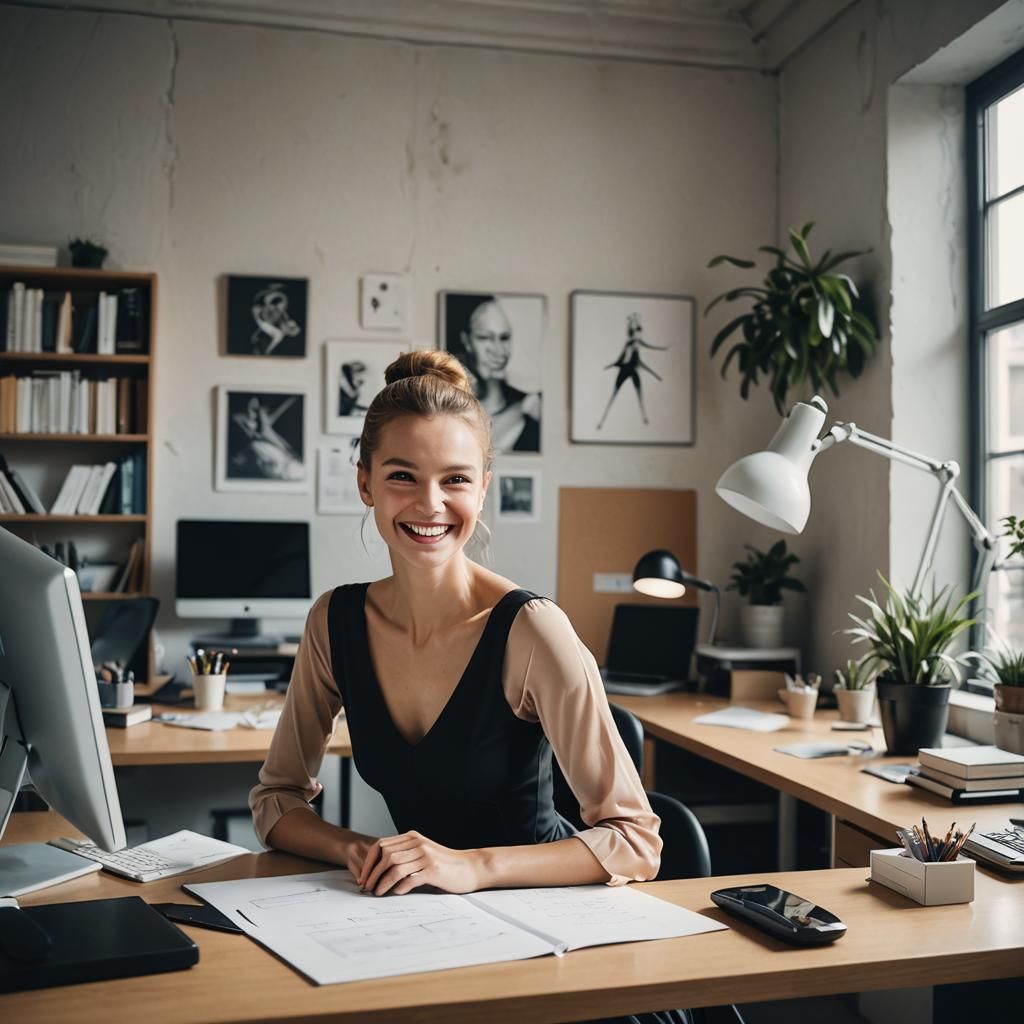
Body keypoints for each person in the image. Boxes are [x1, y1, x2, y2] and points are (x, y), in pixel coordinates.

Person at [250, 351, 686, 1024]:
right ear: (365, 483)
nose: (430, 505)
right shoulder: (333, 623)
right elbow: (277, 799)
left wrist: (470, 866)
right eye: (402, 477)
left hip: (562, 940)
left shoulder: (532, 631)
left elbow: (635, 841)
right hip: (437, 930)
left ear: (483, 487)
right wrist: (358, 850)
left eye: (455, 479)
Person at [446, 293, 541, 453]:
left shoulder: (531, 406)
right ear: (466, 341)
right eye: (484, 338)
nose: (498, 351)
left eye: (504, 338)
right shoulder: (447, 409)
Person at [597, 313, 667, 429]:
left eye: (637, 331)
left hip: (630, 369)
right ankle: (602, 421)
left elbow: (643, 358)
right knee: (614, 395)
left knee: (639, 394)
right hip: (625, 369)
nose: (637, 336)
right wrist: (611, 365)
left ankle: (644, 417)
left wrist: (655, 375)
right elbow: (621, 358)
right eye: (635, 332)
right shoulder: (629, 344)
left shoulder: (635, 346)